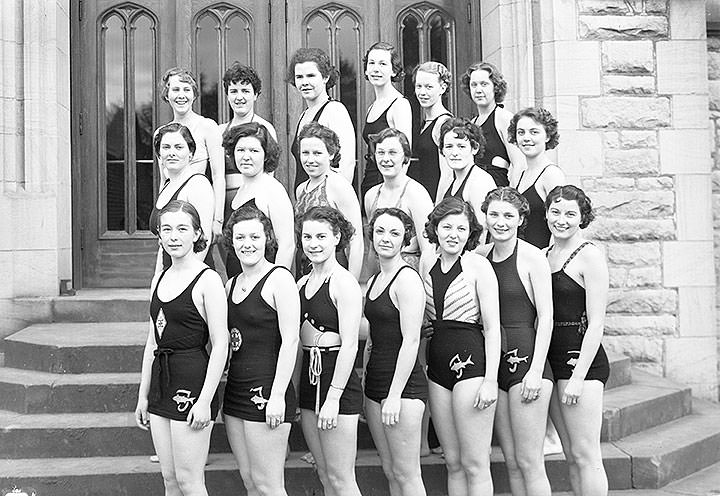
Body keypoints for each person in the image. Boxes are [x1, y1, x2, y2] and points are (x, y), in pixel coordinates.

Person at [135, 200, 228, 496]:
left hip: (192, 380)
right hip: (162, 381)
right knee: (169, 478)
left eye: (182, 229)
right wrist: (143, 395)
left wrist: (204, 400)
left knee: (190, 480)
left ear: (197, 234)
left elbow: (221, 343)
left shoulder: (208, 280)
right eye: (167, 230)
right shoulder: (160, 278)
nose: (174, 236)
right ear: (159, 236)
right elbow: (153, 341)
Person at [422, 197, 501, 496]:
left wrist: (490, 381)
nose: (453, 234)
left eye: (461, 228)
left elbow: (493, 328)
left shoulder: (479, 266)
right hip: (437, 366)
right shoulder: (427, 261)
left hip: (471, 365)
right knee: (452, 461)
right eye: (447, 227)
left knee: (475, 462)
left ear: (470, 233)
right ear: (436, 228)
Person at [479, 187, 554, 496]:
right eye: (494, 214)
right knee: (511, 461)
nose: (500, 222)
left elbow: (546, 318)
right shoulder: (479, 257)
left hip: (526, 363)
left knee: (530, 461)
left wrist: (536, 371)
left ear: (521, 219)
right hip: (494, 365)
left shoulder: (533, 258)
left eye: (508, 216)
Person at [222, 205, 299, 496]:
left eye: (254, 237)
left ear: (267, 238)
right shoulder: (230, 285)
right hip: (236, 391)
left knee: (269, 485)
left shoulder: (279, 279)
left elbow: (291, 340)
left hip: (267, 391)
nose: (247, 244)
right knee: (250, 482)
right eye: (240, 238)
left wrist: (278, 395)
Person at [545, 185, 610, 496]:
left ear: (582, 217)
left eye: (571, 214)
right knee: (571, 455)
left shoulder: (590, 256)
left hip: (581, 362)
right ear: (546, 213)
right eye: (556, 212)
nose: (562, 220)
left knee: (587, 455)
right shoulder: (544, 256)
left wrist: (578, 378)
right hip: (553, 359)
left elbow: (597, 323)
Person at [297, 206, 364, 496]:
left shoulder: (344, 283)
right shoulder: (300, 284)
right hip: (310, 382)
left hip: (337, 382)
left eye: (321, 236)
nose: (314, 243)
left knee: (341, 477)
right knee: (324, 473)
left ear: (337, 237)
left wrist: (334, 397)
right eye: (308, 236)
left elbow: (350, 344)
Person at [364, 207, 428, 496]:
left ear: (406, 240)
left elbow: (411, 341)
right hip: (376, 384)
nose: (386, 238)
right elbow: (375, 336)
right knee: (390, 470)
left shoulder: (407, 279)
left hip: (402, 390)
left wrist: (394, 395)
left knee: (407, 474)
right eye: (380, 231)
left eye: (394, 233)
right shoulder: (376, 280)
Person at [158, 67, 225, 240]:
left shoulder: (208, 127)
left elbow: (218, 176)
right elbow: (164, 181)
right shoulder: (161, 134)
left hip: (198, 213)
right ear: (167, 95)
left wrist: (217, 220)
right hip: (172, 219)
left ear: (194, 95)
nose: (181, 95)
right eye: (175, 89)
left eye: (187, 90)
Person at [221, 122, 294, 278]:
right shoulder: (240, 191)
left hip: (263, 288)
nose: (246, 156)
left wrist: (275, 285)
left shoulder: (273, 189)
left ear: (266, 154)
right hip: (239, 285)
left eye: (254, 150)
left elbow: (287, 245)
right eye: (240, 150)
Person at [295, 122, 364, 280]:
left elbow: (356, 240)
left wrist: (351, 283)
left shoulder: (339, 185)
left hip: (334, 269)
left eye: (317, 153)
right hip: (306, 267)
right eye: (305, 153)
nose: (310, 159)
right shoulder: (301, 189)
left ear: (331, 154)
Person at [364, 127, 434, 272]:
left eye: (392, 153)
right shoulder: (371, 196)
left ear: (405, 157)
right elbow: (372, 249)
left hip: (409, 273)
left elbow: (428, 250)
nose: (386, 159)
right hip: (381, 274)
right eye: (381, 153)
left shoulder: (416, 194)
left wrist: (424, 291)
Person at [220, 62, 278, 235]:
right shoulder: (219, 131)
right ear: (227, 94)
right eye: (234, 91)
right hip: (224, 210)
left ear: (256, 95)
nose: (239, 97)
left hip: (253, 208)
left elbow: (268, 175)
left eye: (245, 91)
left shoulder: (265, 128)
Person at [149, 123, 214, 274]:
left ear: (190, 153)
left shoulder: (198, 184)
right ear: (159, 155)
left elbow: (204, 239)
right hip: (169, 274)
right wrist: (158, 278)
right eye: (166, 147)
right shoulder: (167, 186)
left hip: (193, 278)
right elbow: (162, 244)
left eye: (178, 147)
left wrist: (184, 280)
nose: (172, 153)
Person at [286, 48, 356, 190]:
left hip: (326, 204)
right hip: (305, 200)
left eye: (311, 76)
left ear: (325, 77)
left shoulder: (335, 110)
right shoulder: (303, 115)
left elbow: (347, 164)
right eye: (299, 77)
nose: (304, 82)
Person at [360, 42, 413, 199]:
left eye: (383, 64)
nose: (376, 69)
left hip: (389, 185)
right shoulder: (372, 107)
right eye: (372, 63)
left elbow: (405, 155)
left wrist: (395, 194)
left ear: (393, 70)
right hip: (370, 181)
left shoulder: (400, 104)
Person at [509, 107, 566, 249]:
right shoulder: (519, 175)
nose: (526, 138)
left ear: (547, 136)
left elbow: (562, 224)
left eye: (534, 132)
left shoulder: (551, 175)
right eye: (521, 132)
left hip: (541, 260)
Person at [461, 61, 524, 187]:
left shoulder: (504, 118)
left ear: (495, 87)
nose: (478, 90)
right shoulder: (472, 123)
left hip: (497, 194)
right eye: (474, 85)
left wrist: (510, 200)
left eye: (484, 84)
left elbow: (520, 165)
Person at [410, 62, 453, 202]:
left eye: (429, 87)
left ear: (442, 88)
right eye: (419, 86)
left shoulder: (444, 123)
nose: (422, 92)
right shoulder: (425, 122)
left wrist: (437, 210)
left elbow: (448, 175)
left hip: (434, 200)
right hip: (421, 198)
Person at [438, 118, 496, 223]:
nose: (454, 153)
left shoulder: (480, 181)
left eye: (461, 146)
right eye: (449, 146)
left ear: (475, 148)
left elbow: (483, 229)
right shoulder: (449, 179)